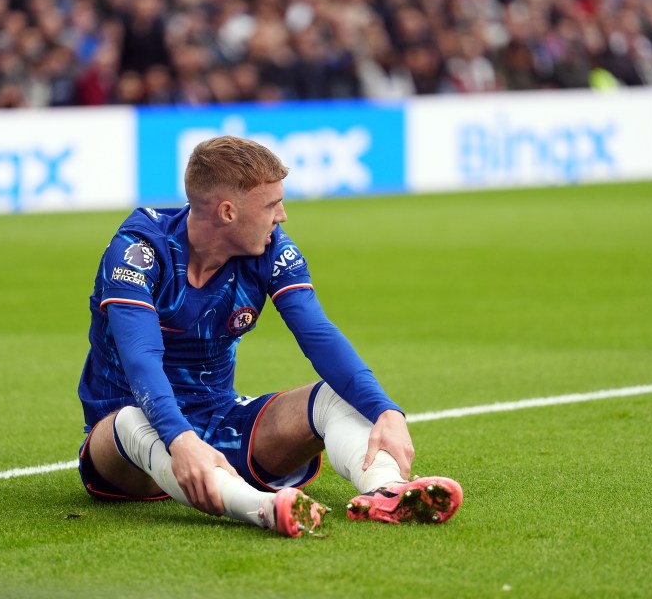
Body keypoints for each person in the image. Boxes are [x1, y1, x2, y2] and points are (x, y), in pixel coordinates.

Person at [76, 136, 462, 537]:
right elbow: (141, 357)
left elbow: (318, 334)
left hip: (219, 421)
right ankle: (261, 507)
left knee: (334, 394)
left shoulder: (271, 249)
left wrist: (386, 411)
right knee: (129, 421)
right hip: (131, 451)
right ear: (228, 212)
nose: (282, 215)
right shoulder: (139, 249)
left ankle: (387, 490)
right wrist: (181, 440)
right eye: (270, 204)